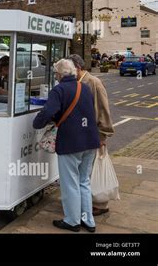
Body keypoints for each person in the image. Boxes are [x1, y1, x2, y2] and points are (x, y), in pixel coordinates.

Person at [33, 59, 100, 232]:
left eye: (56, 73)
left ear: (61, 74)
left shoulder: (59, 89)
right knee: (84, 181)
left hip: (71, 141)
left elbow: (48, 111)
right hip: (90, 140)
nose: (55, 76)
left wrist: (37, 123)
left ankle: (72, 221)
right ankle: (88, 220)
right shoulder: (84, 87)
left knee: (69, 182)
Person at [68, 54, 115, 216]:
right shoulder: (76, 82)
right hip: (81, 134)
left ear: (78, 67)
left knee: (94, 170)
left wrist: (103, 135)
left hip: (93, 134)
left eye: (69, 68)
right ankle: (87, 202)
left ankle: (101, 204)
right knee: (85, 172)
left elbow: (103, 109)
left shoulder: (93, 82)